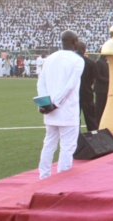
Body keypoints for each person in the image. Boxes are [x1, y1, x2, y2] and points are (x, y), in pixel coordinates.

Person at [37, 30, 85, 180]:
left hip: (50, 110)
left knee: (49, 143)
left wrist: (45, 103)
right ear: (74, 42)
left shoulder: (50, 58)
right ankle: (62, 178)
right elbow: (69, 86)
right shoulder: (77, 60)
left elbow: (41, 82)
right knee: (67, 146)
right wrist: (56, 103)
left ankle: (44, 176)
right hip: (67, 110)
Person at [76, 41, 98, 132]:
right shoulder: (90, 62)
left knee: (75, 119)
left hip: (74, 94)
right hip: (87, 93)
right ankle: (94, 138)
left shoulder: (71, 61)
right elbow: (94, 78)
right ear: (84, 49)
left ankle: (76, 139)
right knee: (91, 119)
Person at [93, 54, 109, 126]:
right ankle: (97, 122)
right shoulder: (99, 62)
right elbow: (98, 76)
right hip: (100, 88)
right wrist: (108, 80)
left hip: (105, 88)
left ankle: (101, 122)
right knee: (99, 107)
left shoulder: (106, 63)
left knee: (103, 107)